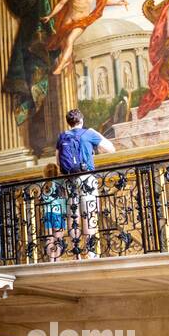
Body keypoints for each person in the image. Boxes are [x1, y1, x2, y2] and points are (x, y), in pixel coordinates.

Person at [55, 109, 114, 258]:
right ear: (81, 121)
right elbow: (110, 149)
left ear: (68, 122)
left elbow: (57, 162)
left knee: (73, 215)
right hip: (86, 178)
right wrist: (97, 133)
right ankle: (91, 252)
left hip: (69, 180)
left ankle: (76, 254)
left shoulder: (62, 137)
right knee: (89, 214)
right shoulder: (89, 134)